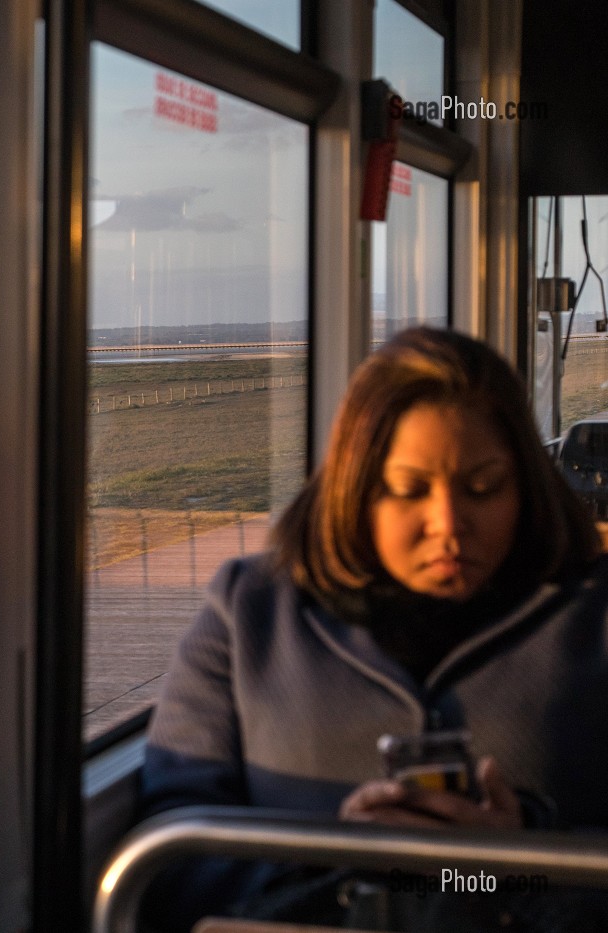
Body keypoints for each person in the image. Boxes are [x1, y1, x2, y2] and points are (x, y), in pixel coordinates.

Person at [138, 327, 608, 932]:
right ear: (355, 490)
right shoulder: (248, 612)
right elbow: (171, 855)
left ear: (527, 484)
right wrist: (340, 867)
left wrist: (513, 858)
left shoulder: (593, 616)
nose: (449, 525)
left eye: (483, 488)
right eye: (409, 491)